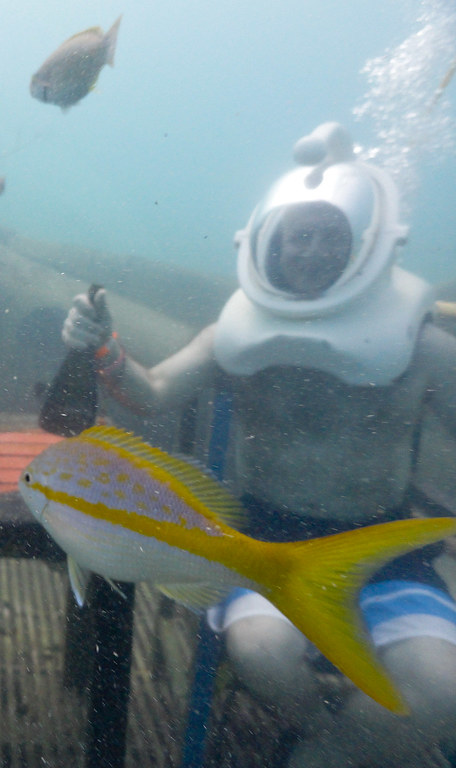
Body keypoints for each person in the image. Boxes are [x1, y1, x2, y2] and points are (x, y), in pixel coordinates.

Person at [61, 122, 456, 767]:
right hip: (262, 536)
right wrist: (102, 346)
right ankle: (345, 746)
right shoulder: (236, 333)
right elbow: (155, 390)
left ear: (364, 247)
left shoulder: (425, 347)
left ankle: (326, 753)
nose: (315, 252)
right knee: (262, 653)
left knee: (443, 690)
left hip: (382, 542)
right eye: (302, 236)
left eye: (334, 237)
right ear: (272, 242)